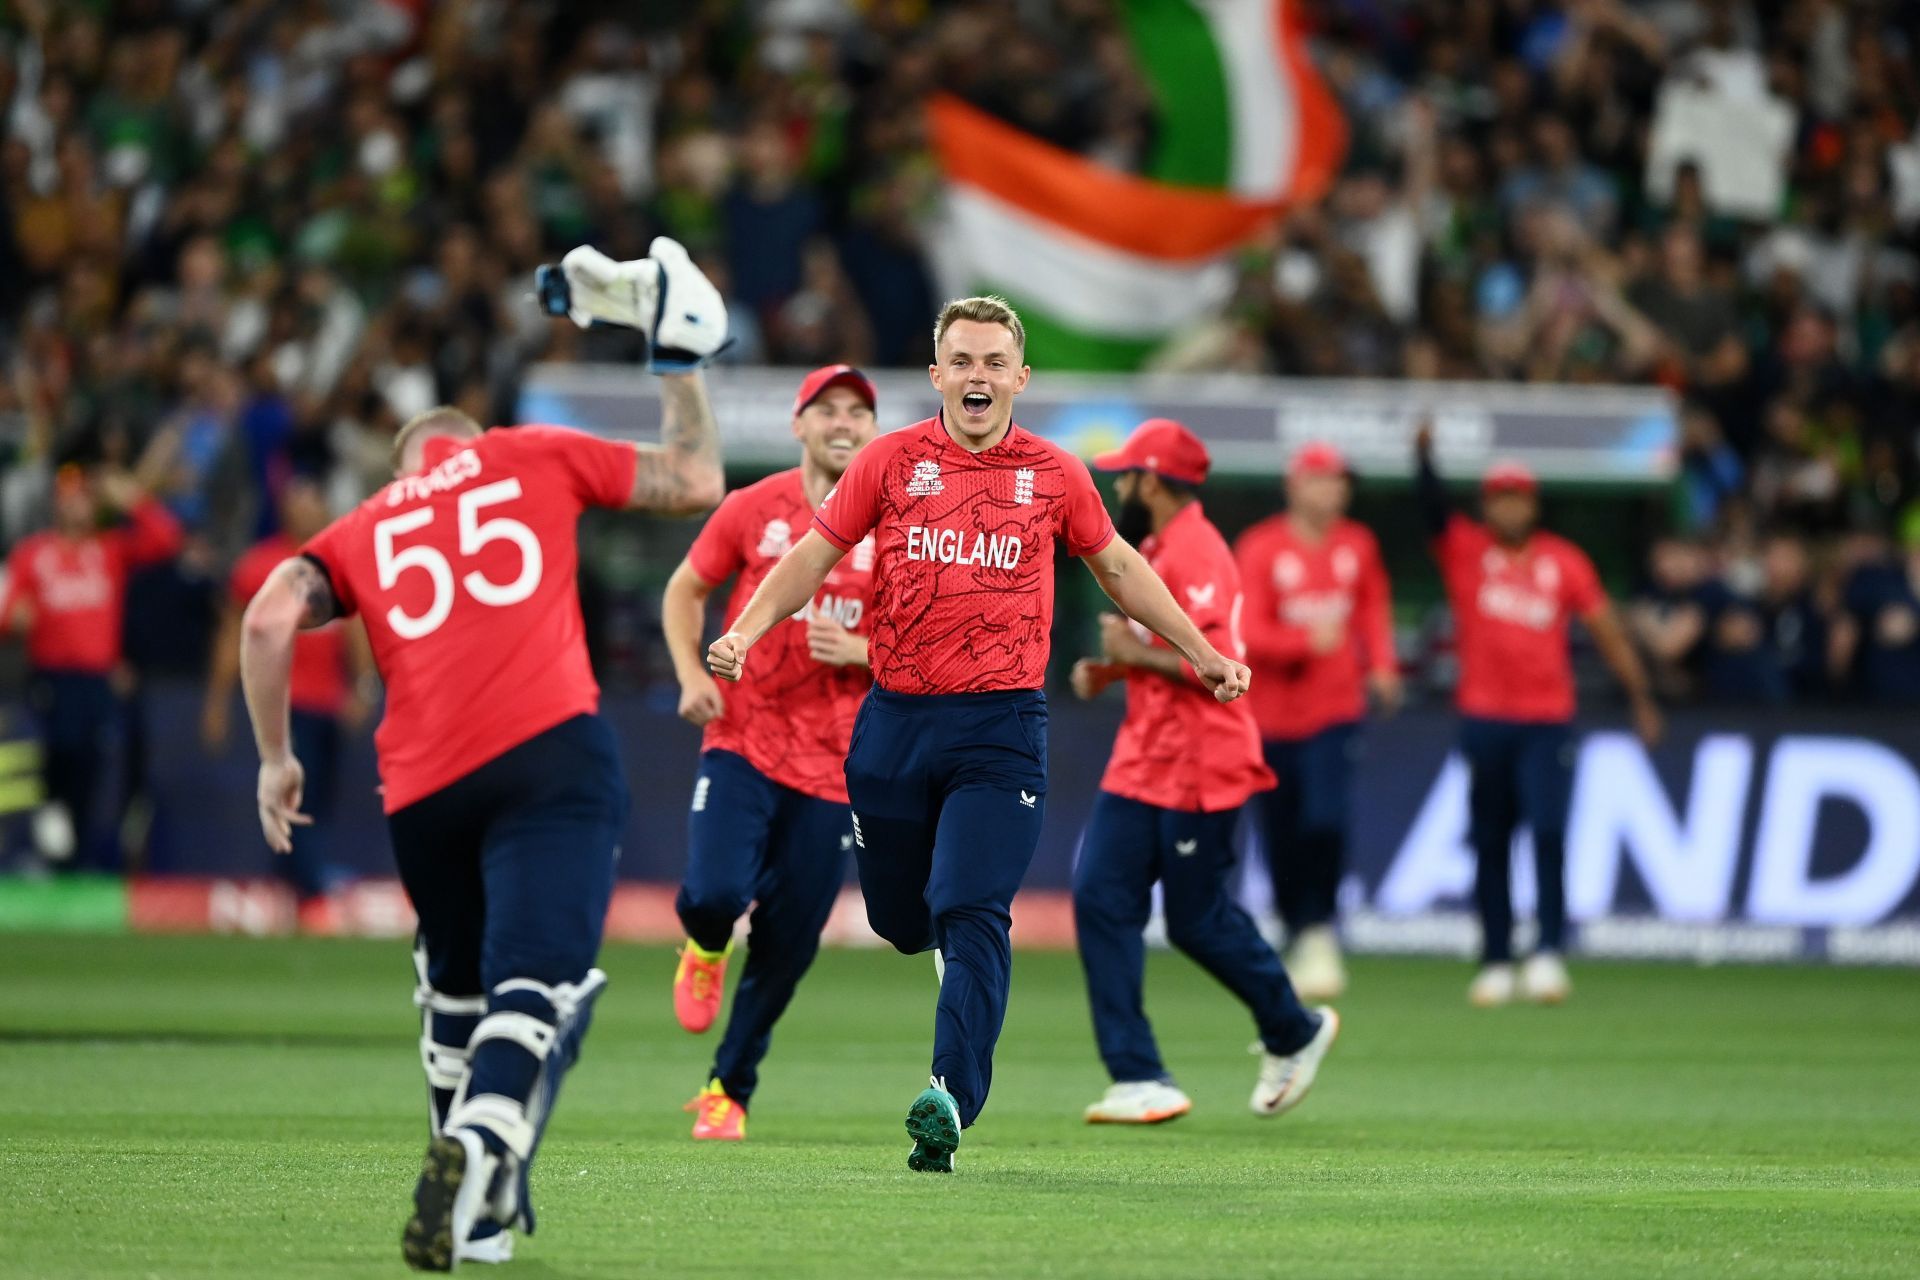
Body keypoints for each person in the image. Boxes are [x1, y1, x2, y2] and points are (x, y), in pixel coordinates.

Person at [240, 237, 726, 1270]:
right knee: (536, 988)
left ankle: (483, 1215)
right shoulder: (525, 451)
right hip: (548, 749)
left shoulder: (365, 523)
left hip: (420, 789)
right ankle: (479, 1144)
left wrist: (275, 758)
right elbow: (694, 477)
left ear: (407, 465)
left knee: (454, 985)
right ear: (470, 442)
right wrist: (678, 364)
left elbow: (269, 619)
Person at [706, 295, 1254, 1174]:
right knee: (899, 919)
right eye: (962, 361)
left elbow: (1117, 565)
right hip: (894, 725)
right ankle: (928, 953)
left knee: (971, 907)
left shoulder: (1056, 475)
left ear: (1020, 377)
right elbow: (809, 557)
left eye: (994, 362)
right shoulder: (888, 463)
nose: (978, 377)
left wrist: (1197, 651)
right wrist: (745, 630)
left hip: (1001, 729)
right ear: (936, 376)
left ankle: (949, 1099)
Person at [1069, 419, 1337, 1126]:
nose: (1119, 487)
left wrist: (1134, 649)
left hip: (1199, 762)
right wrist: (1115, 666)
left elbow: (1221, 669)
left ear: (1152, 482)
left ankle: (1295, 1029)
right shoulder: (1155, 546)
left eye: (1126, 476)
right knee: (1099, 895)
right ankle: (1137, 1075)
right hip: (1144, 757)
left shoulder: (1198, 553)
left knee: (1197, 920)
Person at [659, 364, 879, 1141]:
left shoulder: (899, 528)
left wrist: (862, 650)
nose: (844, 422)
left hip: (836, 769)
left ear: (873, 430)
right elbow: (684, 589)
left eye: (858, 410)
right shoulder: (754, 509)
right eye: (828, 409)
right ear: (799, 425)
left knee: (788, 946)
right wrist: (691, 674)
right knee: (715, 892)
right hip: (743, 740)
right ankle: (706, 945)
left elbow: (932, 650)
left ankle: (728, 1090)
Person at [1414, 425, 1662, 1007]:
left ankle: (1548, 951)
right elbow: (1431, 508)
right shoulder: (1466, 550)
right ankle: (1497, 957)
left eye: (1519, 495)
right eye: (1500, 496)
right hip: (1484, 719)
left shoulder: (1563, 561)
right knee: (1491, 840)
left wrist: (1641, 696)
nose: (1510, 505)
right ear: (1487, 504)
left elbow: (1606, 631)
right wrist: (1423, 454)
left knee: (1548, 834)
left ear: (1533, 503)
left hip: (1547, 720)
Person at [1233, 442, 1400, 999]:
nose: (1333, 491)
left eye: (1339, 482)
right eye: (1322, 480)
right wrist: (1302, 641)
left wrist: (1381, 665)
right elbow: (1246, 630)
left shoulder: (1359, 544)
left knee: (1325, 818)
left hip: (1336, 709)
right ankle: (1294, 923)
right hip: (1273, 716)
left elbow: (1373, 609)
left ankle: (1319, 925)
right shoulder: (1261, 548)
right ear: (1295, 485)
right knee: (1281, 826)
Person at [203, 474, 375, 933]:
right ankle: (316, 894)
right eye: (297, 498)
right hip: (284, 705)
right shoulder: (258, 565)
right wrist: (218, 700)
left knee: (315, 800)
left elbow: (355, 626)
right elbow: (234, 634)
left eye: (312, 497)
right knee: (294, 797)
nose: (305, 507)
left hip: (327, 703)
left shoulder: (337, 558)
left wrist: (361, 685)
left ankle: (292, 898)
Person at [1, 466, 182, 868]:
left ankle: (74, 857)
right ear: (55, 503)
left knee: (92, 765)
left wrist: (132, 498)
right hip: (52, 677)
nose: (76, 504)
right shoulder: (34, 553)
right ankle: (50, 826)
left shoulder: (108, 551)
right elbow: (8, 607)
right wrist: (16, 617)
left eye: (83, 496)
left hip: (97, 680)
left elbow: (166, 540)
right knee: (60, 749)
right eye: (69, 496)